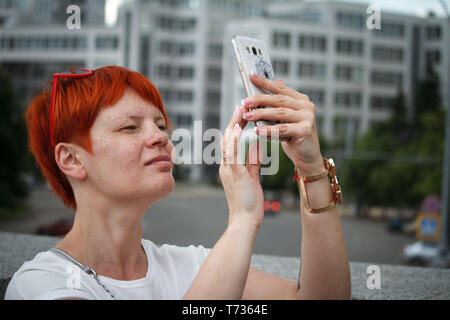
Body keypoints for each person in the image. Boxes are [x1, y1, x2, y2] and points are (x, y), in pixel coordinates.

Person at [5, 66, 350, 300]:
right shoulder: (41, 285)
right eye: (130, 127)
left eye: (160, 125)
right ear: (72, 159)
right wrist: (243, 221)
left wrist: (310, 166)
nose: (160, 137)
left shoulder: (190, 266)